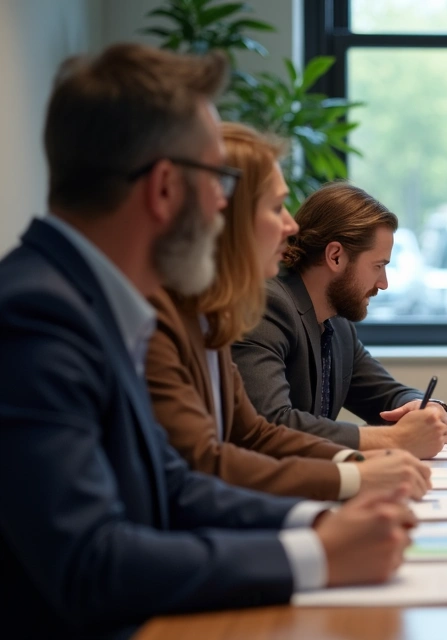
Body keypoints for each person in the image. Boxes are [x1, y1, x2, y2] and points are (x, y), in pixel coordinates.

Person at [0, 43, 418, 638]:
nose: (228, 202)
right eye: (220, 178)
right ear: (166, 188)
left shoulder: (97, 300)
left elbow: (173, 486)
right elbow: (89, 562)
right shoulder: (38, 315)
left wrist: (321, 523)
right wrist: (316, 554)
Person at [144, 122, 432, 501]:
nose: (290, 225)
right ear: (224, 215)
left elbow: (254, 434)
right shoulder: (204, 316)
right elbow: (221, 458)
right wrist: (370, 461)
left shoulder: (211, 315)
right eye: (276, 207)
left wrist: (376, 452)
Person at [233, 183, 447, 454]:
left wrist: (428, 409)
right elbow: (273, 422)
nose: (383, 284)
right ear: (335, 256)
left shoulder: (336, 325)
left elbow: (388, 395)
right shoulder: (268, 306)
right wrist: (394, 439)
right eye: (378, 266)